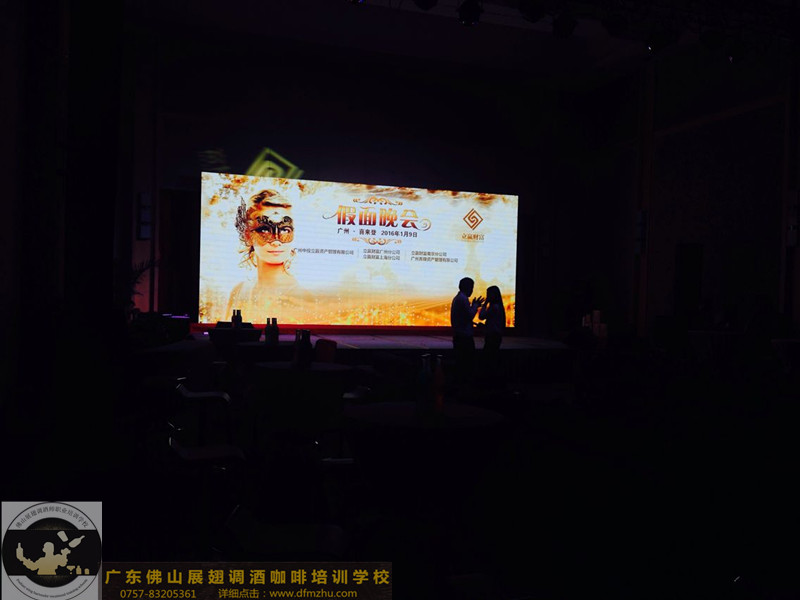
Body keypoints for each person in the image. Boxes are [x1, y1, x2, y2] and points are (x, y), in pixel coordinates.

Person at [225, 189, 308, 322]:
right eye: (264, 229)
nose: (276, 241)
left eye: (285, 229)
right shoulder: (240, 291)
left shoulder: (304, 297)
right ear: (248, 235)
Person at [450, 277, 484, 383]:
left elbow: (463, 318)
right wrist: (475, 306)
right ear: (468, 287)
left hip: (460, 336)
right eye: (472, 287)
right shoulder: (463, 299)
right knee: (466, 364)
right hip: (464, 338)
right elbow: (469, 315)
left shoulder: (458, 298)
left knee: (461, 364)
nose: (472, 290)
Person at [479, 285, 506, 382]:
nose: (487, 296)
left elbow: (481, 316)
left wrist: (485, 304)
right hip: (495, 336)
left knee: (489, 359)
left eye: (489, 294)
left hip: (492, 336)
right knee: (492, 358)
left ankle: (490, 381)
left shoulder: (494, 307)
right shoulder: (498, 307)